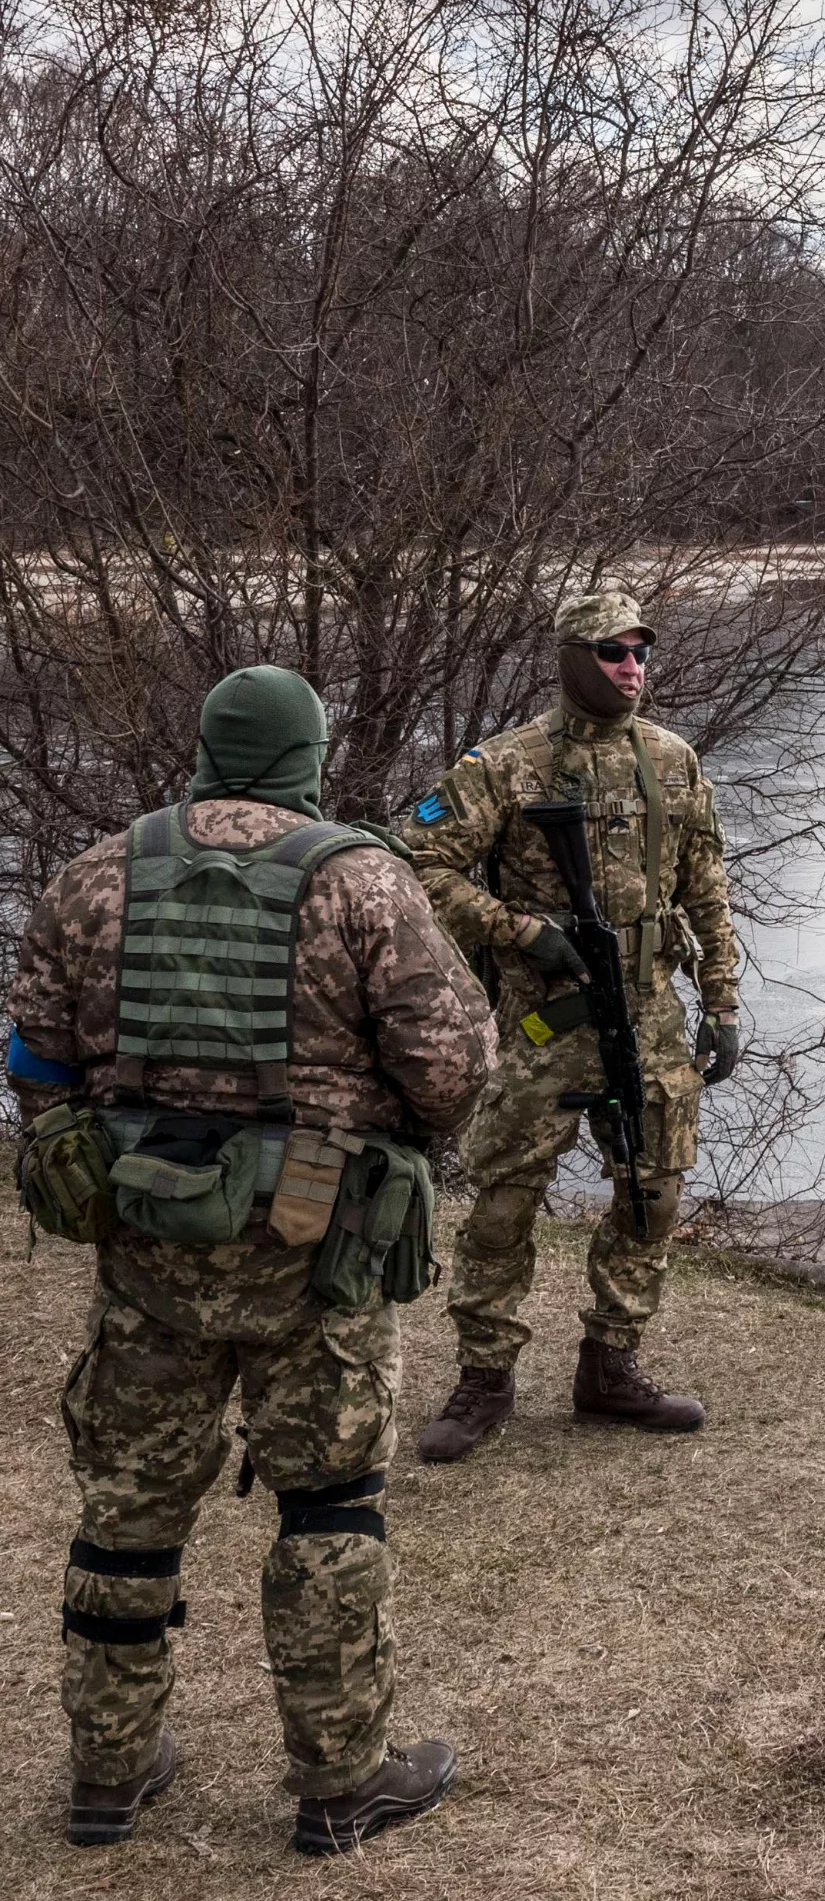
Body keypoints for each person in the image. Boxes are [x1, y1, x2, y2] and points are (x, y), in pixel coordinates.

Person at [9, 666, 493, 1852]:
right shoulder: (361, 879)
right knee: (330, 1503)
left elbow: (33, 1055)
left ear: (211, 748)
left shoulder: (95, 871)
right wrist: (399, 1136)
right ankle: (341, 1780)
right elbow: (453, 1067)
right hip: (313, 1241)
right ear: (307, 755)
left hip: (147, 1240)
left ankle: (107, 1775)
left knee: (126, 1508)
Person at [403, 589, 741, 1461]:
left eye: (641, 653)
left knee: (652, 1193)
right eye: (614, 653)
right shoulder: (507, 764)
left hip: (651, 1016)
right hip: (544, 1025)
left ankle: (611, 1364)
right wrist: (518, 932)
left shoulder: (671, 760)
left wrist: (725, 1000)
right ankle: (483, 1376)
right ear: (571, 659)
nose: (633, 669)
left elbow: (707, 887)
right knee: (504, 1201)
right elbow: (419, 862)